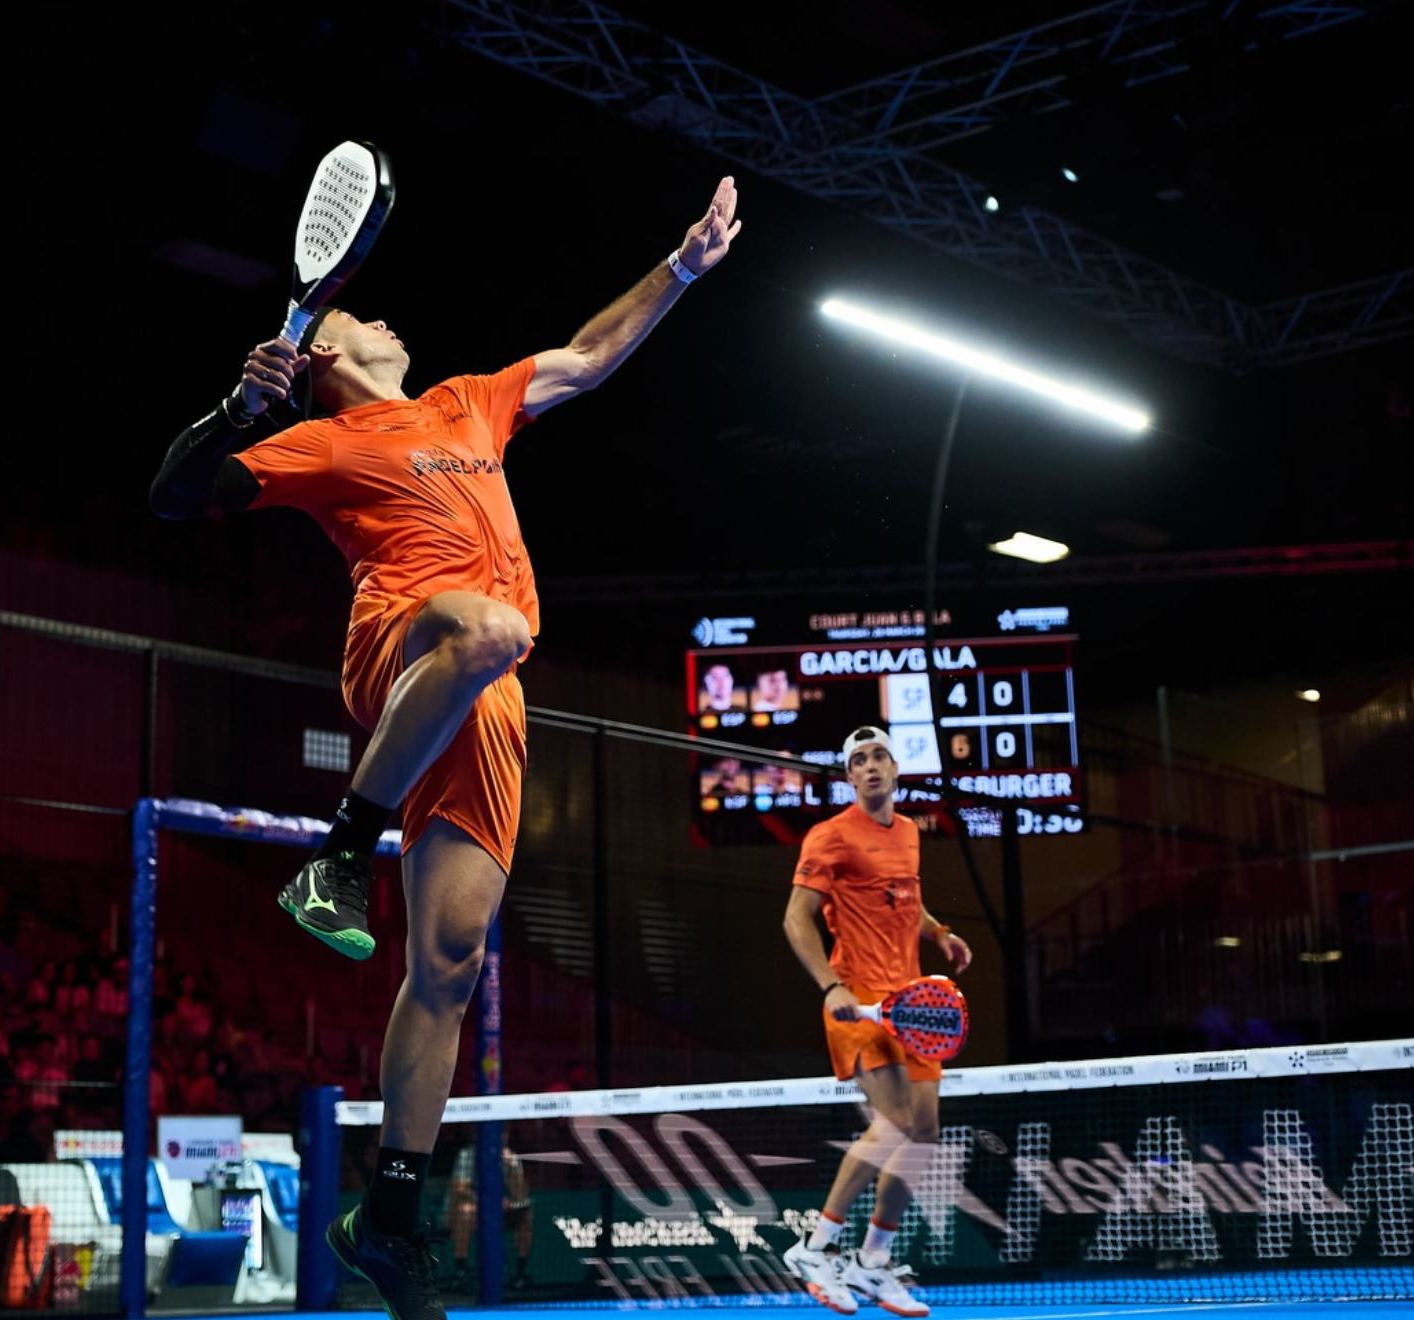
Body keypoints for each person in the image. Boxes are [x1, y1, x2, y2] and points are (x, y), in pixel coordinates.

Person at [150, 175, 740, 1317]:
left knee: (451, 964)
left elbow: (587, 356)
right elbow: (177, 497)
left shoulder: (470, 402)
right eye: (363, 313)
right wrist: (233, 410)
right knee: (492, 627)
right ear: (326, 352)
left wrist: (680, 268)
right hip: (411, 644)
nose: (387, 316)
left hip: (490, 709)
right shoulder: (321, 440)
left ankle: (390, 1217)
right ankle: (339, 854)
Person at [779, 727, 971, 1317]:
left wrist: (938, 933)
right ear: (849, 776)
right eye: (858, 760)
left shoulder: (909, 831)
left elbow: (904, 900)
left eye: (879, 756)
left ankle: (872, 1261)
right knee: (895, 1125)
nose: (870, 766)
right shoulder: (830, 836)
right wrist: (831, 985)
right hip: (857, 1000)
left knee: (924, 1133)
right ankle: (816, 1247)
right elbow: (795, 918)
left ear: (894, 768)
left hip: (912, 1006)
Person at [443, 1138, 534, 1289]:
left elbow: (521, 1195)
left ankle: (520, 1273)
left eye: (506, 1133)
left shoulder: (510, 1156)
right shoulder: (468, 1155)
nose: (503, 1136)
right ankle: (460, 1273)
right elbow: (459, 1189)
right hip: (467, 1211)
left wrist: (512, 1169)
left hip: (498, 1214)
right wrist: (490, 1202)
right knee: (465, 1210)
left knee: (526, 1216)